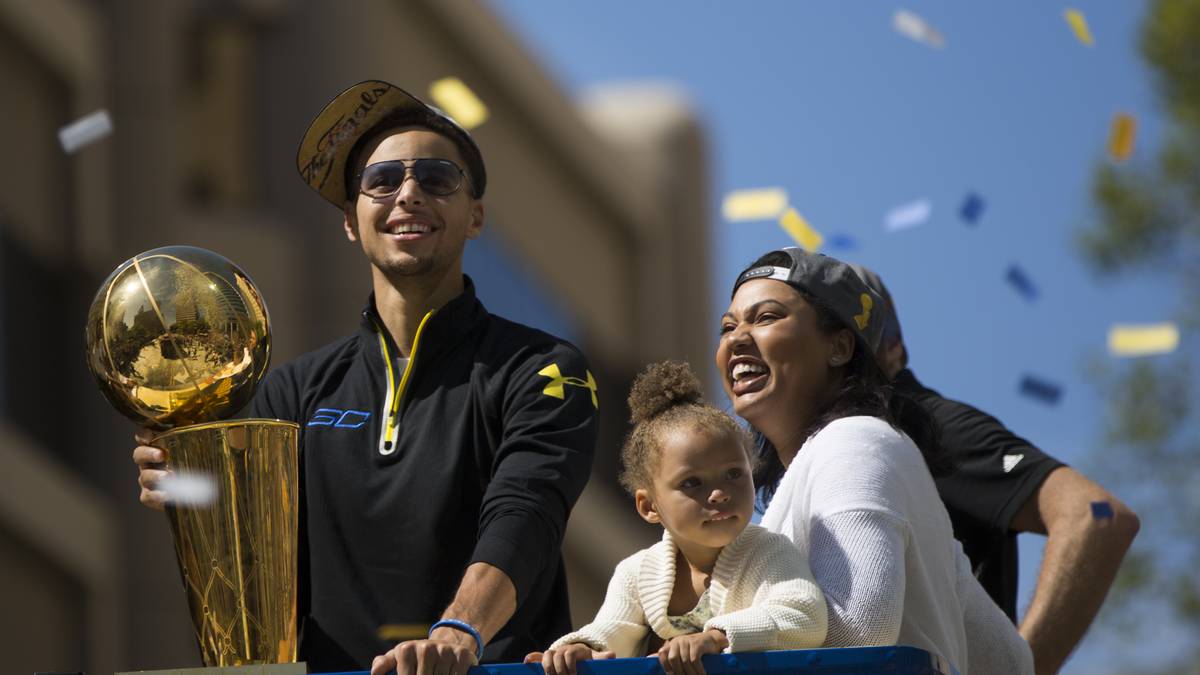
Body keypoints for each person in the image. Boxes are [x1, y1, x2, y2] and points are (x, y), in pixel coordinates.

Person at [133, 80, 598, 675]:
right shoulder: (292, 393)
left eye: (436, 178)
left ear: (475, 215)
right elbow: (245, 537)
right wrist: (185, 480)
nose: (408, 193)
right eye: (382, 181)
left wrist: (460, 631)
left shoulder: (543, 368)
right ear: (351, 222)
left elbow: (527, 511)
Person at [716, 247, 1033, 674]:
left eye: (767, 317)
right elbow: (1010, 658)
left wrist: (715, 643)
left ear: (840, 346)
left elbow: (859, 632)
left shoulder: (853, 444)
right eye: (728, 326)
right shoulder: (857, 454)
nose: (736, 338)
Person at [848, 264, 1140, 675]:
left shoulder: (925, 426)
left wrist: (1022, 669)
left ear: (891, 344)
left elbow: (1097, 517)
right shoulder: (845, 448)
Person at [527, 361, 827, 675]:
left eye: (734, 474)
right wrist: (583, 648)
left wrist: (715, 638)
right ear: (649, 506)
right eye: (691, 483)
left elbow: (806, 617)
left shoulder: (769, 552)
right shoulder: (635, 573)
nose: (719, 494)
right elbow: (615, 629)